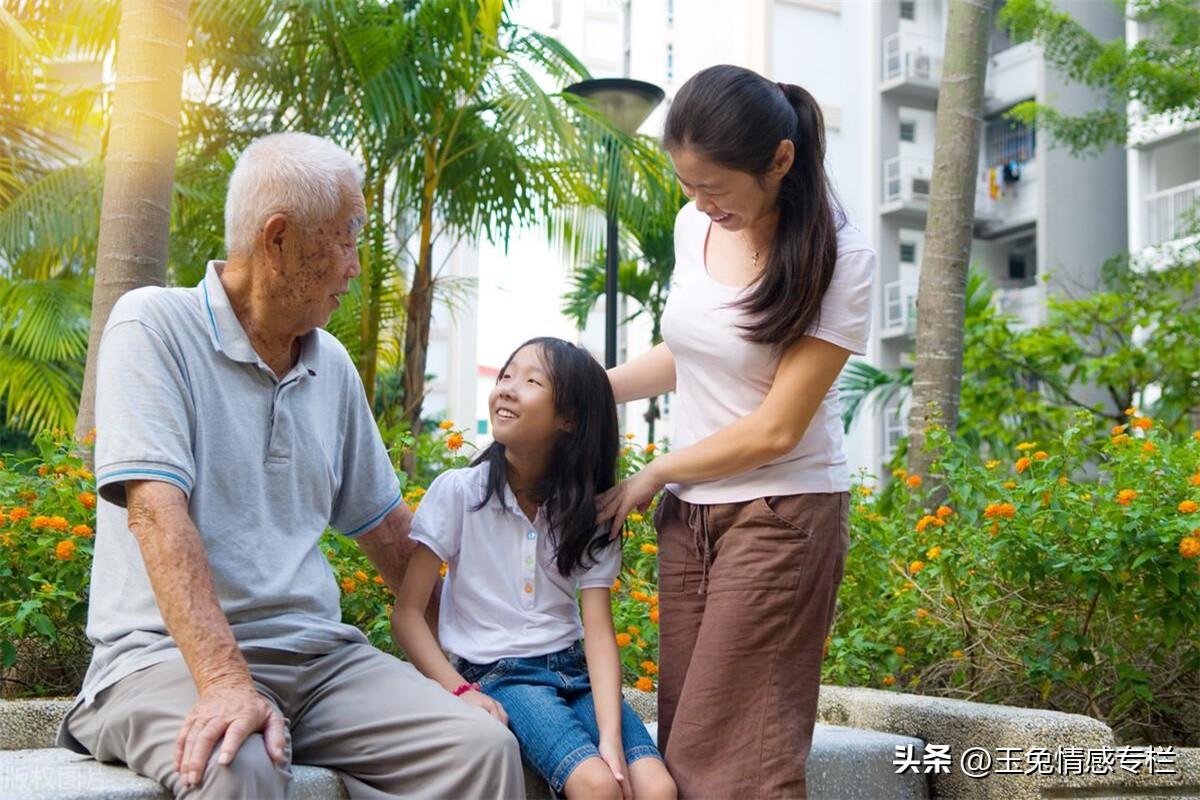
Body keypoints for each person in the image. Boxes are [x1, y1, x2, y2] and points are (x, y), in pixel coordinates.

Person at [57, 132, 523, 799]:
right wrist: (224, 681)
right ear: (277, 240)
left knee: (477, 746)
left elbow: (391, 534)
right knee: (233, 759)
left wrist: (488, 651)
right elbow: (157, 515)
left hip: (319, 662)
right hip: (161, 659)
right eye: (345, 239)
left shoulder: (328, 364)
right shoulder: (152, 325)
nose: (356, 266)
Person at [597, 65, 876, 798]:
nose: (699, 202)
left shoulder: (843, 257)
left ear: (780, 160)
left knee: (738, 763)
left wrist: (654, 470)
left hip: (779, 513)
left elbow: (778, 429)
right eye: (689, 185)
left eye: (715, 186)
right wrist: (590, 389)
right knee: (687, 745)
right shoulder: (697, 227)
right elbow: (695, 351)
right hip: (693, 517)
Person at [394, 337, 677, 800]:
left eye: (530, 380)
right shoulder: (459, 493)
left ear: (568, 418)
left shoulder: (589, 512)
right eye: (506, 375)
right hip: (501, 675)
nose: (507, 387)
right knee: (596, 786)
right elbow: (406, 615)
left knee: (657, 788)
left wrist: (610, 737)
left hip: (575, 672)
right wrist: (462, 691)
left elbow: (600, 634)